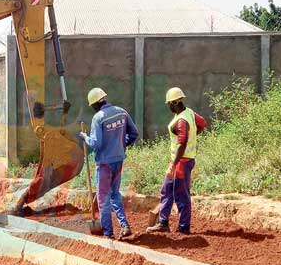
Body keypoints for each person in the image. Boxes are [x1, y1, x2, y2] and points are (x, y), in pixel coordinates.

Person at [79, 87, 139, 240]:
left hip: (104, 164)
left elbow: (96, 143)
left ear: (94, 104)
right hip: (118, 160)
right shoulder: (121, 112)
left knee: (103, 199)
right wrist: (122, 144)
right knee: (115, 194)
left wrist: (84, 137)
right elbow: (134, 133)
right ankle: (124, 225)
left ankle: (108, 233)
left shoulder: (98, 118)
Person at [147, 87, 206, 235]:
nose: (168, 106)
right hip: (181, 160)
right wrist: (194, 135)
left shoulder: (181, 120)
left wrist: (173, 165)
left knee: (181, 194)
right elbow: (202, 123)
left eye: (169, 104)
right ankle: (163, 223)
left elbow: (182, 143)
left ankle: (184, 227)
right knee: (167, 190)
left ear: (173, 103)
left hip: (182, 162)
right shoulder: (190, 113)